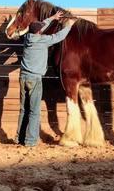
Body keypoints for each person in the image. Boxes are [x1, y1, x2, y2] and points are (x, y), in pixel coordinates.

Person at [15, 11, 75, 147]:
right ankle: (30, 141)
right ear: (39, 32)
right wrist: (69, 26)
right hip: (35, 79)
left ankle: (20, 138)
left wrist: (52, 18)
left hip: (23, 77)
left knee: (23, 109)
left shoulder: (27, 38)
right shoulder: (43, 41)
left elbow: (39, 26)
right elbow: (59, 36)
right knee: (34, 111)